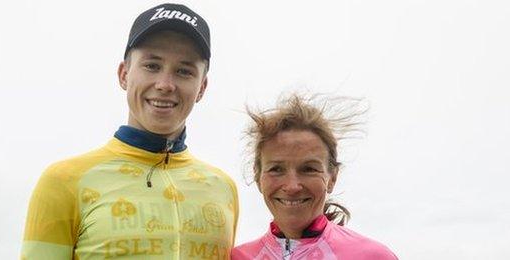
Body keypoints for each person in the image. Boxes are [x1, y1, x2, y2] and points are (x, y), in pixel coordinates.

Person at [21, 3, 238, 259]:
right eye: (152, 66)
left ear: (202, 87)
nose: (165, 85)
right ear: (124, 74)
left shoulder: (223, 188)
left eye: (184, 71)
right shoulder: (63, 181)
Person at [231, 94, 397, 260]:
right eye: (276, 169)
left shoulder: (374, 256)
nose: (292, 186)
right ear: (258, 176)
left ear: (332, 178)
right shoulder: (236, 257)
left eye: (309, 169)